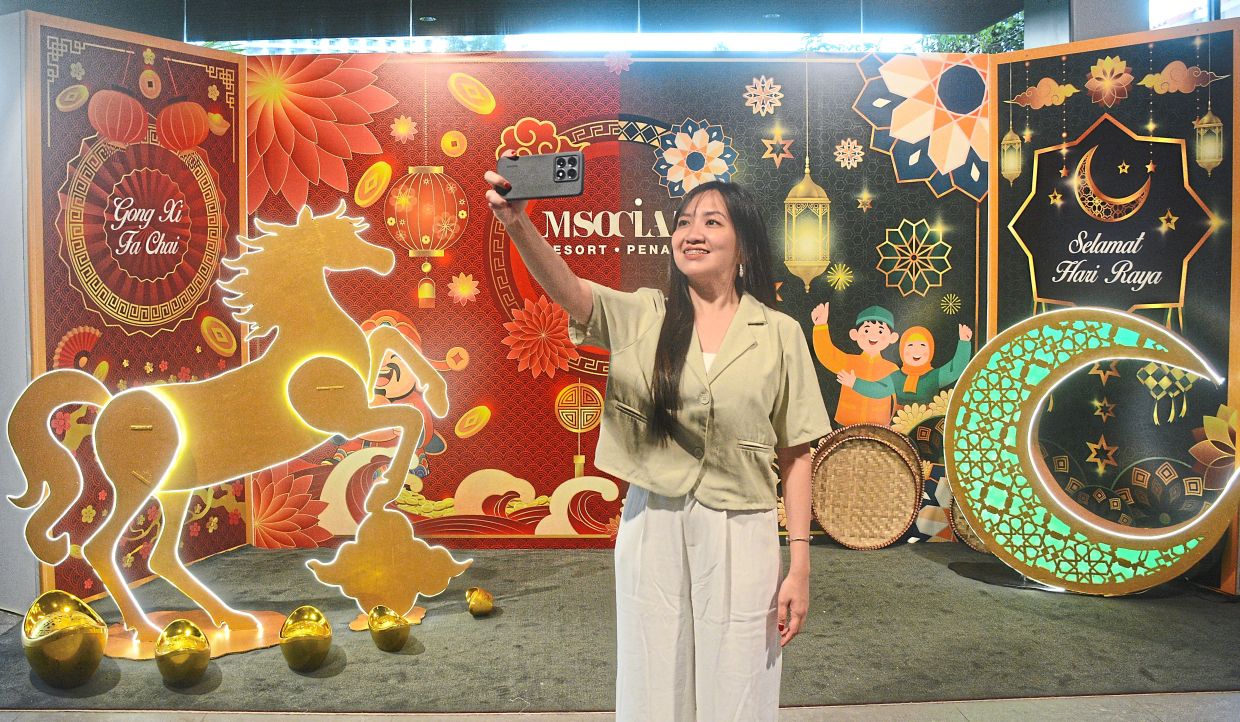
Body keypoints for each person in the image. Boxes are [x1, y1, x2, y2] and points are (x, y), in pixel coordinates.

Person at [485, 158, 830, 721]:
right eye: (684, 221)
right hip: (655, 517)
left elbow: (796, 454)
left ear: (744, 244)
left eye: (713, 222)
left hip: (742, 525)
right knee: (653, 671)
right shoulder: (644, 314)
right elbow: (568, 291)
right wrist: (518, 223)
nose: (692, 233)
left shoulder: (781, 333)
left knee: (741, 672)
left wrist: (800, 565)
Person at [837, 324, 973, 409]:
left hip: (928, 423)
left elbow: (954, 369)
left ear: (931, 350)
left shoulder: (934, 376)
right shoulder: (896, 377)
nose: (916, 351)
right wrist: (854, 382)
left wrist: (964, 342)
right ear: (902, 351)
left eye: (922, 345)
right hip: (899, 425)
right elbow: (878, 389)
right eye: (910, 346)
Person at [810, 303, 899, 426]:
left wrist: (897, 424)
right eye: (866, 330)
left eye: (880, 331)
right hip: (846, 425)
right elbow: (828, 355)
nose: (873, 335)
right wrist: (820, 326)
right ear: (854, 334)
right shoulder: (849, 361)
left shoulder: (892, 368)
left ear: (892, 338)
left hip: (880, 427)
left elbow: (896, 397)